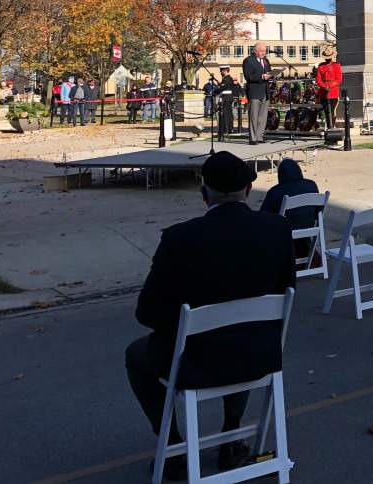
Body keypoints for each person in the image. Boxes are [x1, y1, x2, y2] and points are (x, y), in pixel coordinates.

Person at [125, 152, 295, 480]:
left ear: (204, 193)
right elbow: (287, 290)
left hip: (196, 360)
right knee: (242, 335)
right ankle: (232, 438)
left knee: (136, 355)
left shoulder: (179, 238)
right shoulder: (277, 229)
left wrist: (184, 326)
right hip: (260, 354)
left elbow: (147, 312)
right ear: (248, 190)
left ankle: (173, 446)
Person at [260, 157, 322, 261]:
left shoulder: (276, 191)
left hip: (286, 231)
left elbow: (263, 216)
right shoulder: (311, 185)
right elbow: (318, 212)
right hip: (309, 227)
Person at [242, 43, 272, 145]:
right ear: (255, 51)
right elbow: (248, 77)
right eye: (262, 51)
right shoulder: (248, 61)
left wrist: (270, 75)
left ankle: (259, 136)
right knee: (254, 116)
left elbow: (269, 72)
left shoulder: (266, 60)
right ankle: (253, 138)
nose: (264, 53)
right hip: (254, 91)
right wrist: (261, 77)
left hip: (265, 91)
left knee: (263, 116)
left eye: (265, 51)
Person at [315, 45, 343, 129]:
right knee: (326, 111)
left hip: (333, 92)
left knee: (332, 111)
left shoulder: (336, 65)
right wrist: (324, 87)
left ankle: (331, 127)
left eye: (329, 57)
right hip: (323, 92)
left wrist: (330, 86)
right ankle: (329, 127)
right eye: (326, 58)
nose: (327, 59)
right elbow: (318, 79)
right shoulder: (321, 66)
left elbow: (339, 79)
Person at [215, 66, 242, 139]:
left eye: (221, 71)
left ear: (225, 70)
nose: (220, 72)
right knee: (228, 114)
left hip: (226, 98)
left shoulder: (226, 79)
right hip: (227, 98)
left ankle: (226, 129)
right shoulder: (228, 79)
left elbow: (222, 88)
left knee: (226, 114)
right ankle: (229, 129)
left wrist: (216, 89)